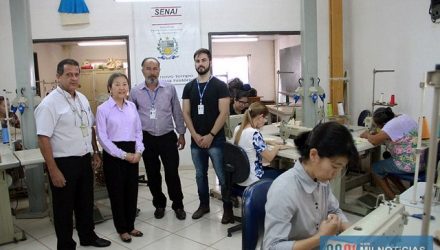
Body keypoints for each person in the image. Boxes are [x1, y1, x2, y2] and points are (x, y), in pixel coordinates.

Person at [35, 59, 111, 249]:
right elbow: (43, 139)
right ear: (58, 76)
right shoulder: (49, 104)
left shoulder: (82, 98)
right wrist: (53, 170)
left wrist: (95, 151)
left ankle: (88, 237)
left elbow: (90, 127)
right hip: (63, 163)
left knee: (85, 202)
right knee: (64, 208)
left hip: (84, 160)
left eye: (76, 74)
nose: (74, 78)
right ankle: (66, 244)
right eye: (69, 74)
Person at [263, 122, 358, 250]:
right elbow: (272, 247)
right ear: (314, 155)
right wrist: (320, 237)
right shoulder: (284, 190)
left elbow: (334, 210)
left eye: (340, 168)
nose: (335, 174)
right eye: (335, 167)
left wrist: (349, 229)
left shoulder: (321, 180)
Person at [129, 57, 187, 220]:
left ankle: (178, 205)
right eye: (148, 68)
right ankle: (159, 204)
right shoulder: (135, 91)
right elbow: (131, 116)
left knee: (172, 173)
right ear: (142, 70)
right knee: (152, 174)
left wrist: (181, 133)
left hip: (167, 137)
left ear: (159, 70)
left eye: (155, 68)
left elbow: (177, 111)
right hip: (147, 138)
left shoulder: (169, 88)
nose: (152, 72)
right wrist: (135, 140)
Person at [182, 48, 234, 223]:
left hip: (216, 140)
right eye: (197, 61)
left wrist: (211, 135)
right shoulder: (189, 87)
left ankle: (228, 209)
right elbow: (185, 113)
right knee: (199, 175)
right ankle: (204, 205)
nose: (200, 63)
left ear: (210, 62)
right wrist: (195, 135)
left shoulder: (220, 86)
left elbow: (223, 112)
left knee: (222, 175)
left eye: (204, 60)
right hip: (196, 140)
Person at [96, 73, 144, 243]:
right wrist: (124, 155)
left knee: (132, 191)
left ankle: (130, 225)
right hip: (114, 155)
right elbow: (102, 137)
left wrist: (138, 151)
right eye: (117, 84)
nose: (122, 87)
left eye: (125, 84)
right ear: (110, 88)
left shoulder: (132, 106)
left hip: (132, 152)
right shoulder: (103, 109)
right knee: (117, 193)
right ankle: (122, 229)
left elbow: (138, 131)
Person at [360, 107, 418, 199]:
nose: (378, 128)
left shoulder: (390, 126)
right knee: (387, 165)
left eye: (377, 126)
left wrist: (367, 134)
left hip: (408, 164)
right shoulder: (404, 117)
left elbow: (374, 141)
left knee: (376, 167)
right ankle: (403, 192)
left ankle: (392, 198)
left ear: (383, 124)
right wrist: (380, 133)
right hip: (420, 161)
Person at [232, 102, 286, 189]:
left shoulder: (238, 129)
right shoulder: (254, 133)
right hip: (253, 178)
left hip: (240, 177)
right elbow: (269, 157)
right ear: (260, 117)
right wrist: (277, 147)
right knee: (284, 174)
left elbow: (248, 142)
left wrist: (267, 142)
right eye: (265, 119)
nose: (265, 121)